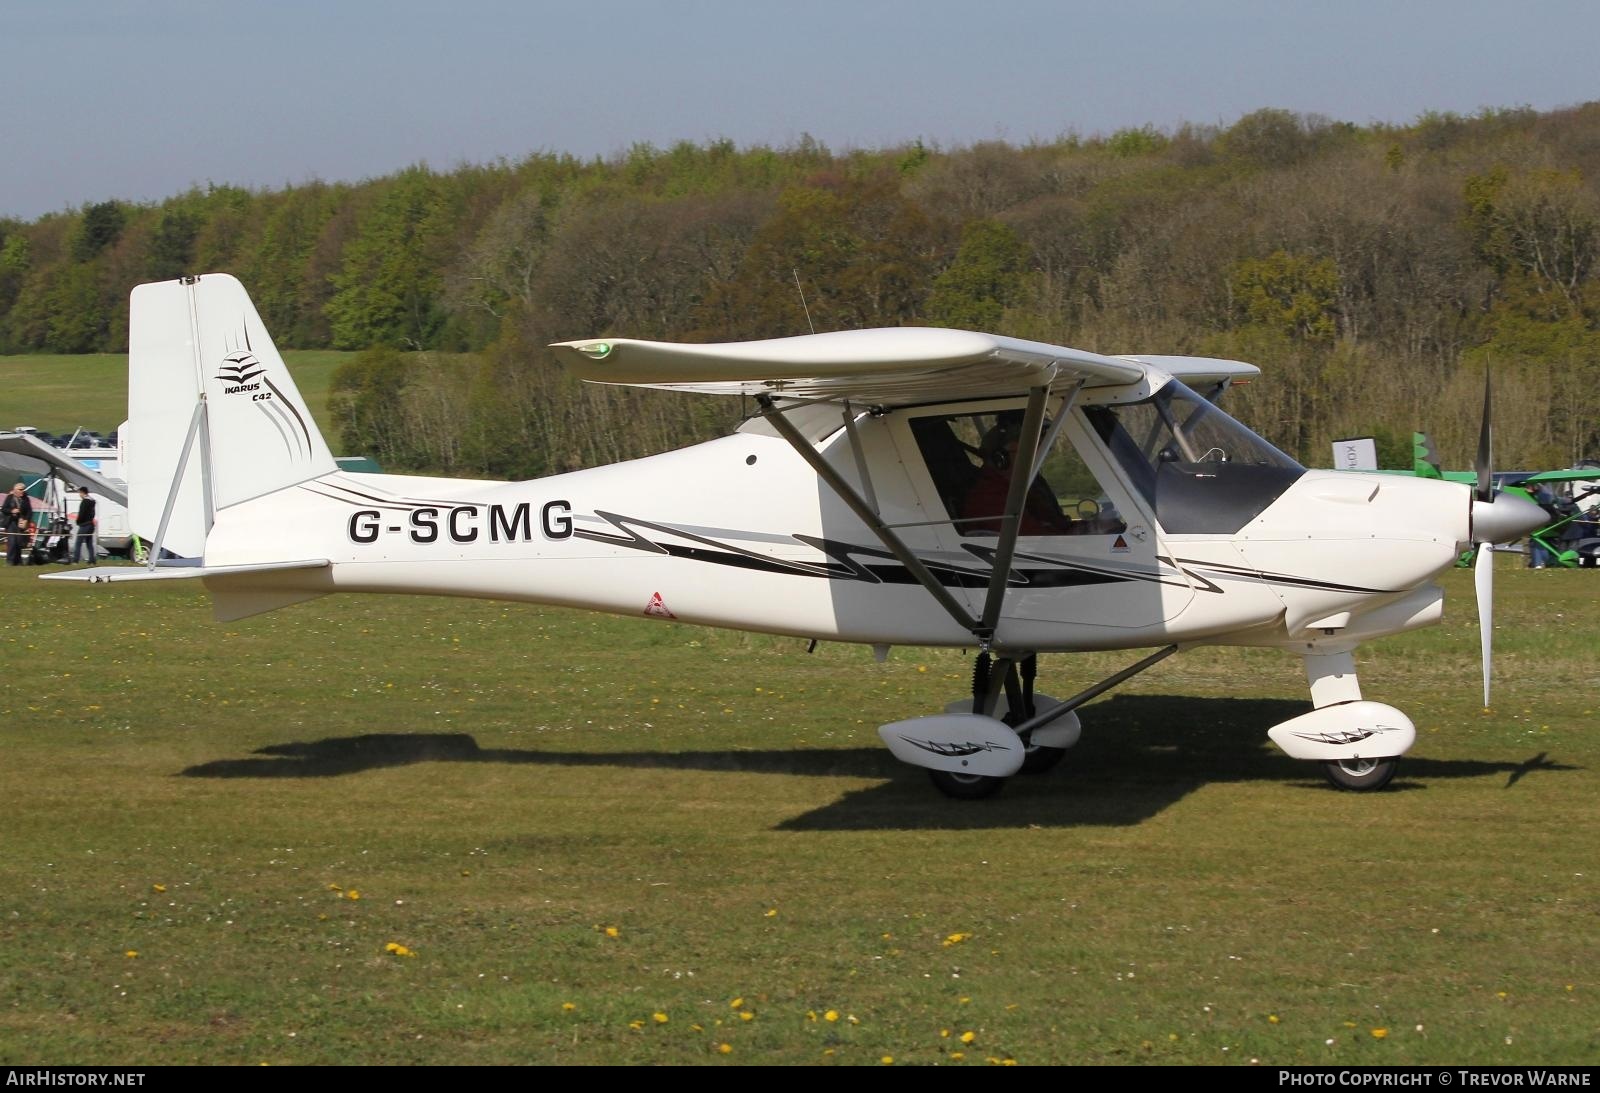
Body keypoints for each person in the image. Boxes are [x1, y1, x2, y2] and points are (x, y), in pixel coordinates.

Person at [961, 418, 1074, 536]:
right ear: (1001, 458)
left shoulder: (1024, 487)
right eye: (1030, 451)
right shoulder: (988, 497)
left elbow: (1058, 524)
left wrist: (1084, 528)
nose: (1039, 457)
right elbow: (1034, 539)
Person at [3, 482, 33, 566]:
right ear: (15, 490)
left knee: (19, 542)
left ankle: (18, 561)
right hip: (11, 522)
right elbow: (4, 509)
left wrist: (26, 521)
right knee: (12, 541)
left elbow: (29, 512)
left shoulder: (26, 499)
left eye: (23, 489)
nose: (22, 491)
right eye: (20, 489)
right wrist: (12, 511)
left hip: (21, 523)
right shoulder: (9, 497)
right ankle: (10, 561)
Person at [72, 487, 98, 565]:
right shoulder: (92, 501)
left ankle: (75, 560)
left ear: (83, 493)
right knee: (89, 543)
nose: (79, 495)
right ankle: (92, 559)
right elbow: (93, 514)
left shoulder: (84, 502)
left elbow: (81, 513)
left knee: (78, 543)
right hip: (91, 524)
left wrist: (78, 521)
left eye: (80, 493)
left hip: (84, 525)